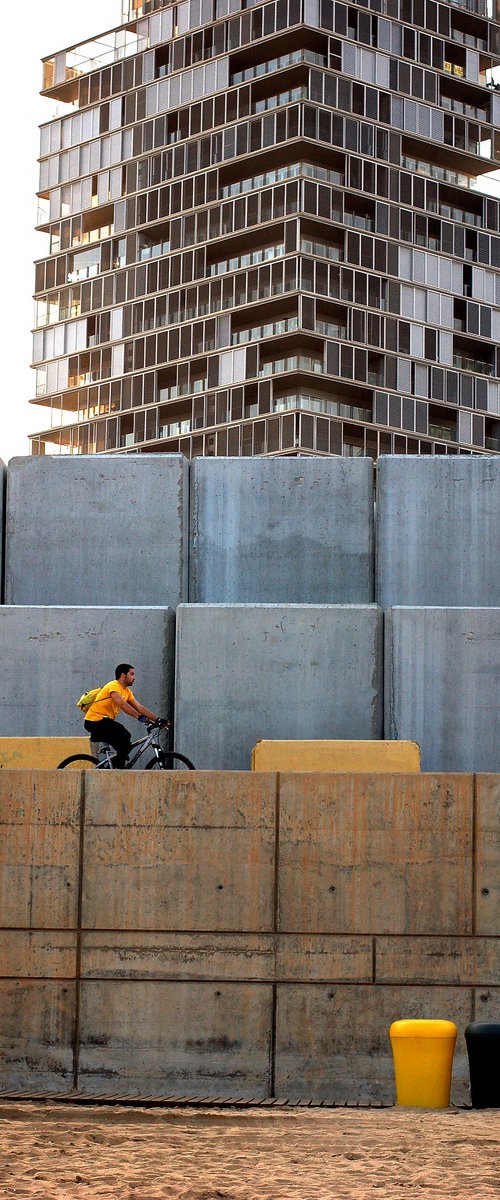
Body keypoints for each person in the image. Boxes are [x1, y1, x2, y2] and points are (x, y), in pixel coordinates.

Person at [83, 663, 159, 768]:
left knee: (124, 746)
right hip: (94, 721)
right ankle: (115, 771)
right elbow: (122, 704)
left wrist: (158, 720)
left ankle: (114, 768)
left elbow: (139, 707)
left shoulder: (127, 692)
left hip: (104, 722)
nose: (134, 678)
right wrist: (139, 717)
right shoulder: (113, 686)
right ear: (123, 675)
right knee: (125, 737)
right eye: (131, 674)